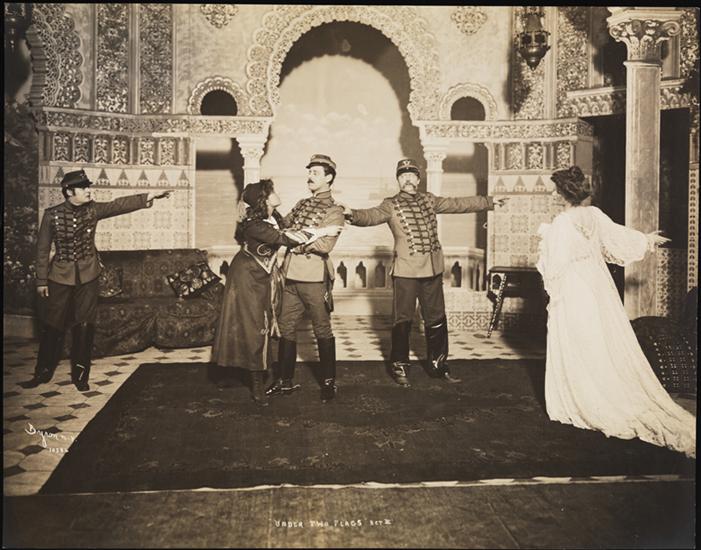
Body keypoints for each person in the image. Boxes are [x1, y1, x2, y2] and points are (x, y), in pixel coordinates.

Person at [536, 165, 695, 458]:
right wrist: (646, 239)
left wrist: (550, 282)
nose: (552, 195)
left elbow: (554, 266)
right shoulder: (594, 214)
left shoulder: (560, 223)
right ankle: (604, 390)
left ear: (562, 193)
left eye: (554, 190)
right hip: (596, 286)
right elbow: (618, 236)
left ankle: (587, 399)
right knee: (598, 340)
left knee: (578, 341)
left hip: (573, 287)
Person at [342, 158, 508, 386]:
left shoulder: (429, 200)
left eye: (411, 175)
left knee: (436, 318)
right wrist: (351, 213)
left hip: (432, 269)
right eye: (403, 176)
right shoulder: (390, 204)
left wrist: (488, 202)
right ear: (398, 180)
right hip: (406, 272)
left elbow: (458, 204)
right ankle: (399, 367)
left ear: (418, 179)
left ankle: (438, 367)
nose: (407, 179)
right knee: (402, 320)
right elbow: (370, 216)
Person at [28, 169, 172, 391]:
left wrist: (150, 195)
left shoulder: (93, 209)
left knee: (85, 324)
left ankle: (80, 376)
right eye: (83, 187)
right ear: (69, 192)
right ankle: (42, 372)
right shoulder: (51, 215)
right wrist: (41, 281)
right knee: (53, 324)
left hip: (88, 275)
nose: (88, 191)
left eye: (88, 187)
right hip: (59, 276)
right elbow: (42, 249)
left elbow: (118, 205)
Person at [211, 179, 342, 406]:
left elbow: (293, 231)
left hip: (265, 276)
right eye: (272, 191)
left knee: (268, 324)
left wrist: (315, 233)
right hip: (246, 276)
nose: (276, 192)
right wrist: (325, 230)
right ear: (264, 199)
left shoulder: (274, 217)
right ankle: (260, 383)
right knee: (255, 326)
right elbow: (286, 237)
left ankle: (321, 382)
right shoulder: (254, 224)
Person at [265, 154, 346, 403]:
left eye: (315, 173)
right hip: (290, 275)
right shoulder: (301, 204)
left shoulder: (335, 210)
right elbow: (283, 228)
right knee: (286, 326)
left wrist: (295, 241)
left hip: (314, 278)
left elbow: (325, 245)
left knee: (321, 328)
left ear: (329, 178)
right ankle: (285, 381)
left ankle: (329, 383)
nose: (310, 176)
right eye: (309, 172)